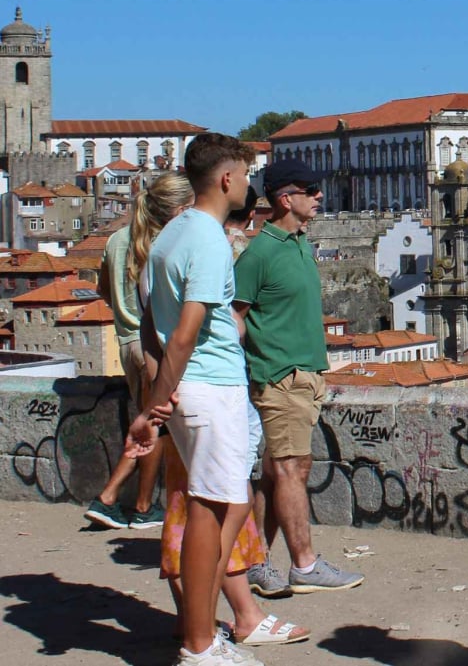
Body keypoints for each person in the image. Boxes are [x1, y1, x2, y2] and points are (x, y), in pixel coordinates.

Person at [125, 133, 260, 666]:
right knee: (209, 509)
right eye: (247, 175)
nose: (250, 185)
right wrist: (154, 409)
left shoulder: (168, 237)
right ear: (227, 179)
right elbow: (184, 333)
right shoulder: (205, 238)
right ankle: (199, 645)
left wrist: (162, 400)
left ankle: (200, 630)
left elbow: (154, 332)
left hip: (192, 389)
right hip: (212, 386)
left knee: (224, 504)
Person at [236, 157, 363, 597]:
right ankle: (304, 564)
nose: (320, 196)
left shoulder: (297, 244)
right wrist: (256, 370)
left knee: (278, 471)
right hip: (281, 376)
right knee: (292, 468)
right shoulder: (260, 254)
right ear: (285, 198)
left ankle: (254, 561)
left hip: (304, 376)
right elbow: (235, 319)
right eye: (310, 190)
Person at [83, 176, 193, 530]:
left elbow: (101, 288)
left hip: (125, 341)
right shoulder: (165, 244)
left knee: (149, 420)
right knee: (155, 426)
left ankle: (119, 500)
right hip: (151, 344)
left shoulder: (115, 240)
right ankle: (132, 503)